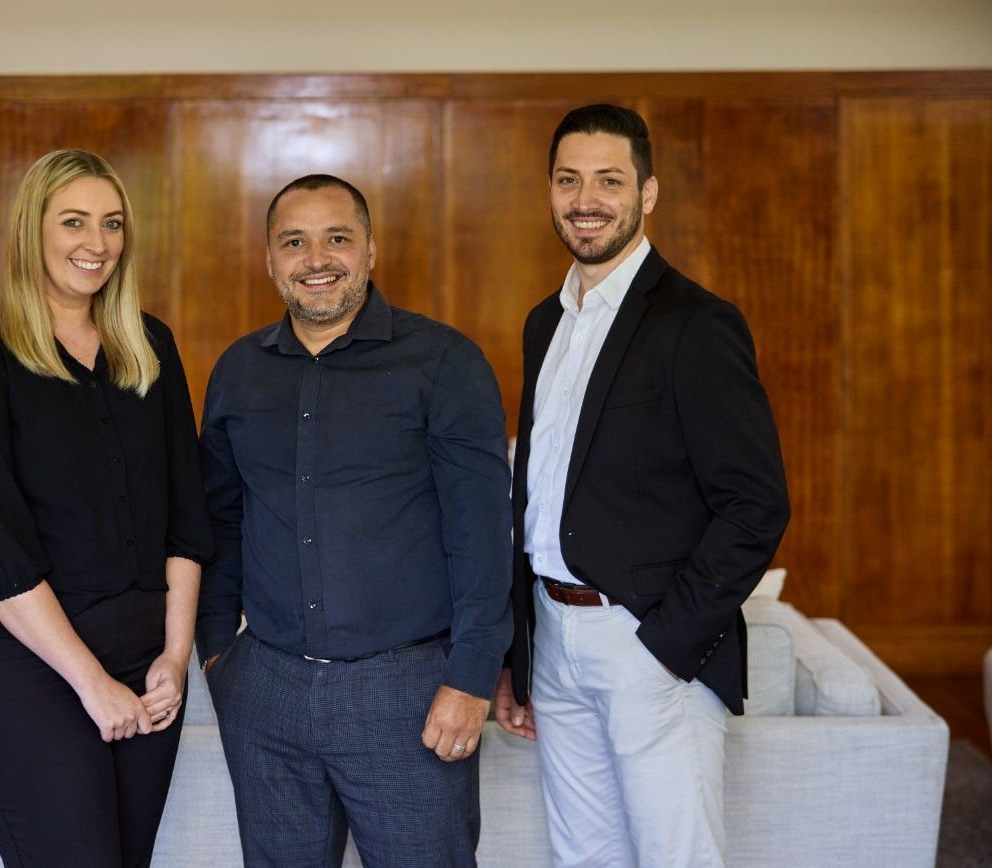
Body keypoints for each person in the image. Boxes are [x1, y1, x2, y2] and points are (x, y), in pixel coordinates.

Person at [493, 105, 790, 867]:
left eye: (608, 180)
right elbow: (539, 491)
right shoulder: (543, 324)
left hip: (649, 641)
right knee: (581, 857)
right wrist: (518, 655)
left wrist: (665, 643)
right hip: (553, 642)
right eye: (568, 179)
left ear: (648, 193)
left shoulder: (696, 323)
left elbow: (755, 504)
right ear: (549, 191)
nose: (585, 199)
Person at [197, 174, 513, 867]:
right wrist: (221, 657)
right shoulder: (238, 372)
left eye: (337, 237)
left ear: (370, 249)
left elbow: (484, 534)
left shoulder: (442, 362)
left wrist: (470, 677)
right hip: (267, 687)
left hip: (406, 690)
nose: (317, 259)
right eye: (295, 242)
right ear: (270, 259)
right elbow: (217, 522)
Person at [0, 148, 212, 867]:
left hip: (146, 660)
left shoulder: (151, 347)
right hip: (27, 662)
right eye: (75, 221)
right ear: (31, 231)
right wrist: (90, 681)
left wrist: (175, 658)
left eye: (112, 223)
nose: (98, 243)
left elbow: (187, 515)